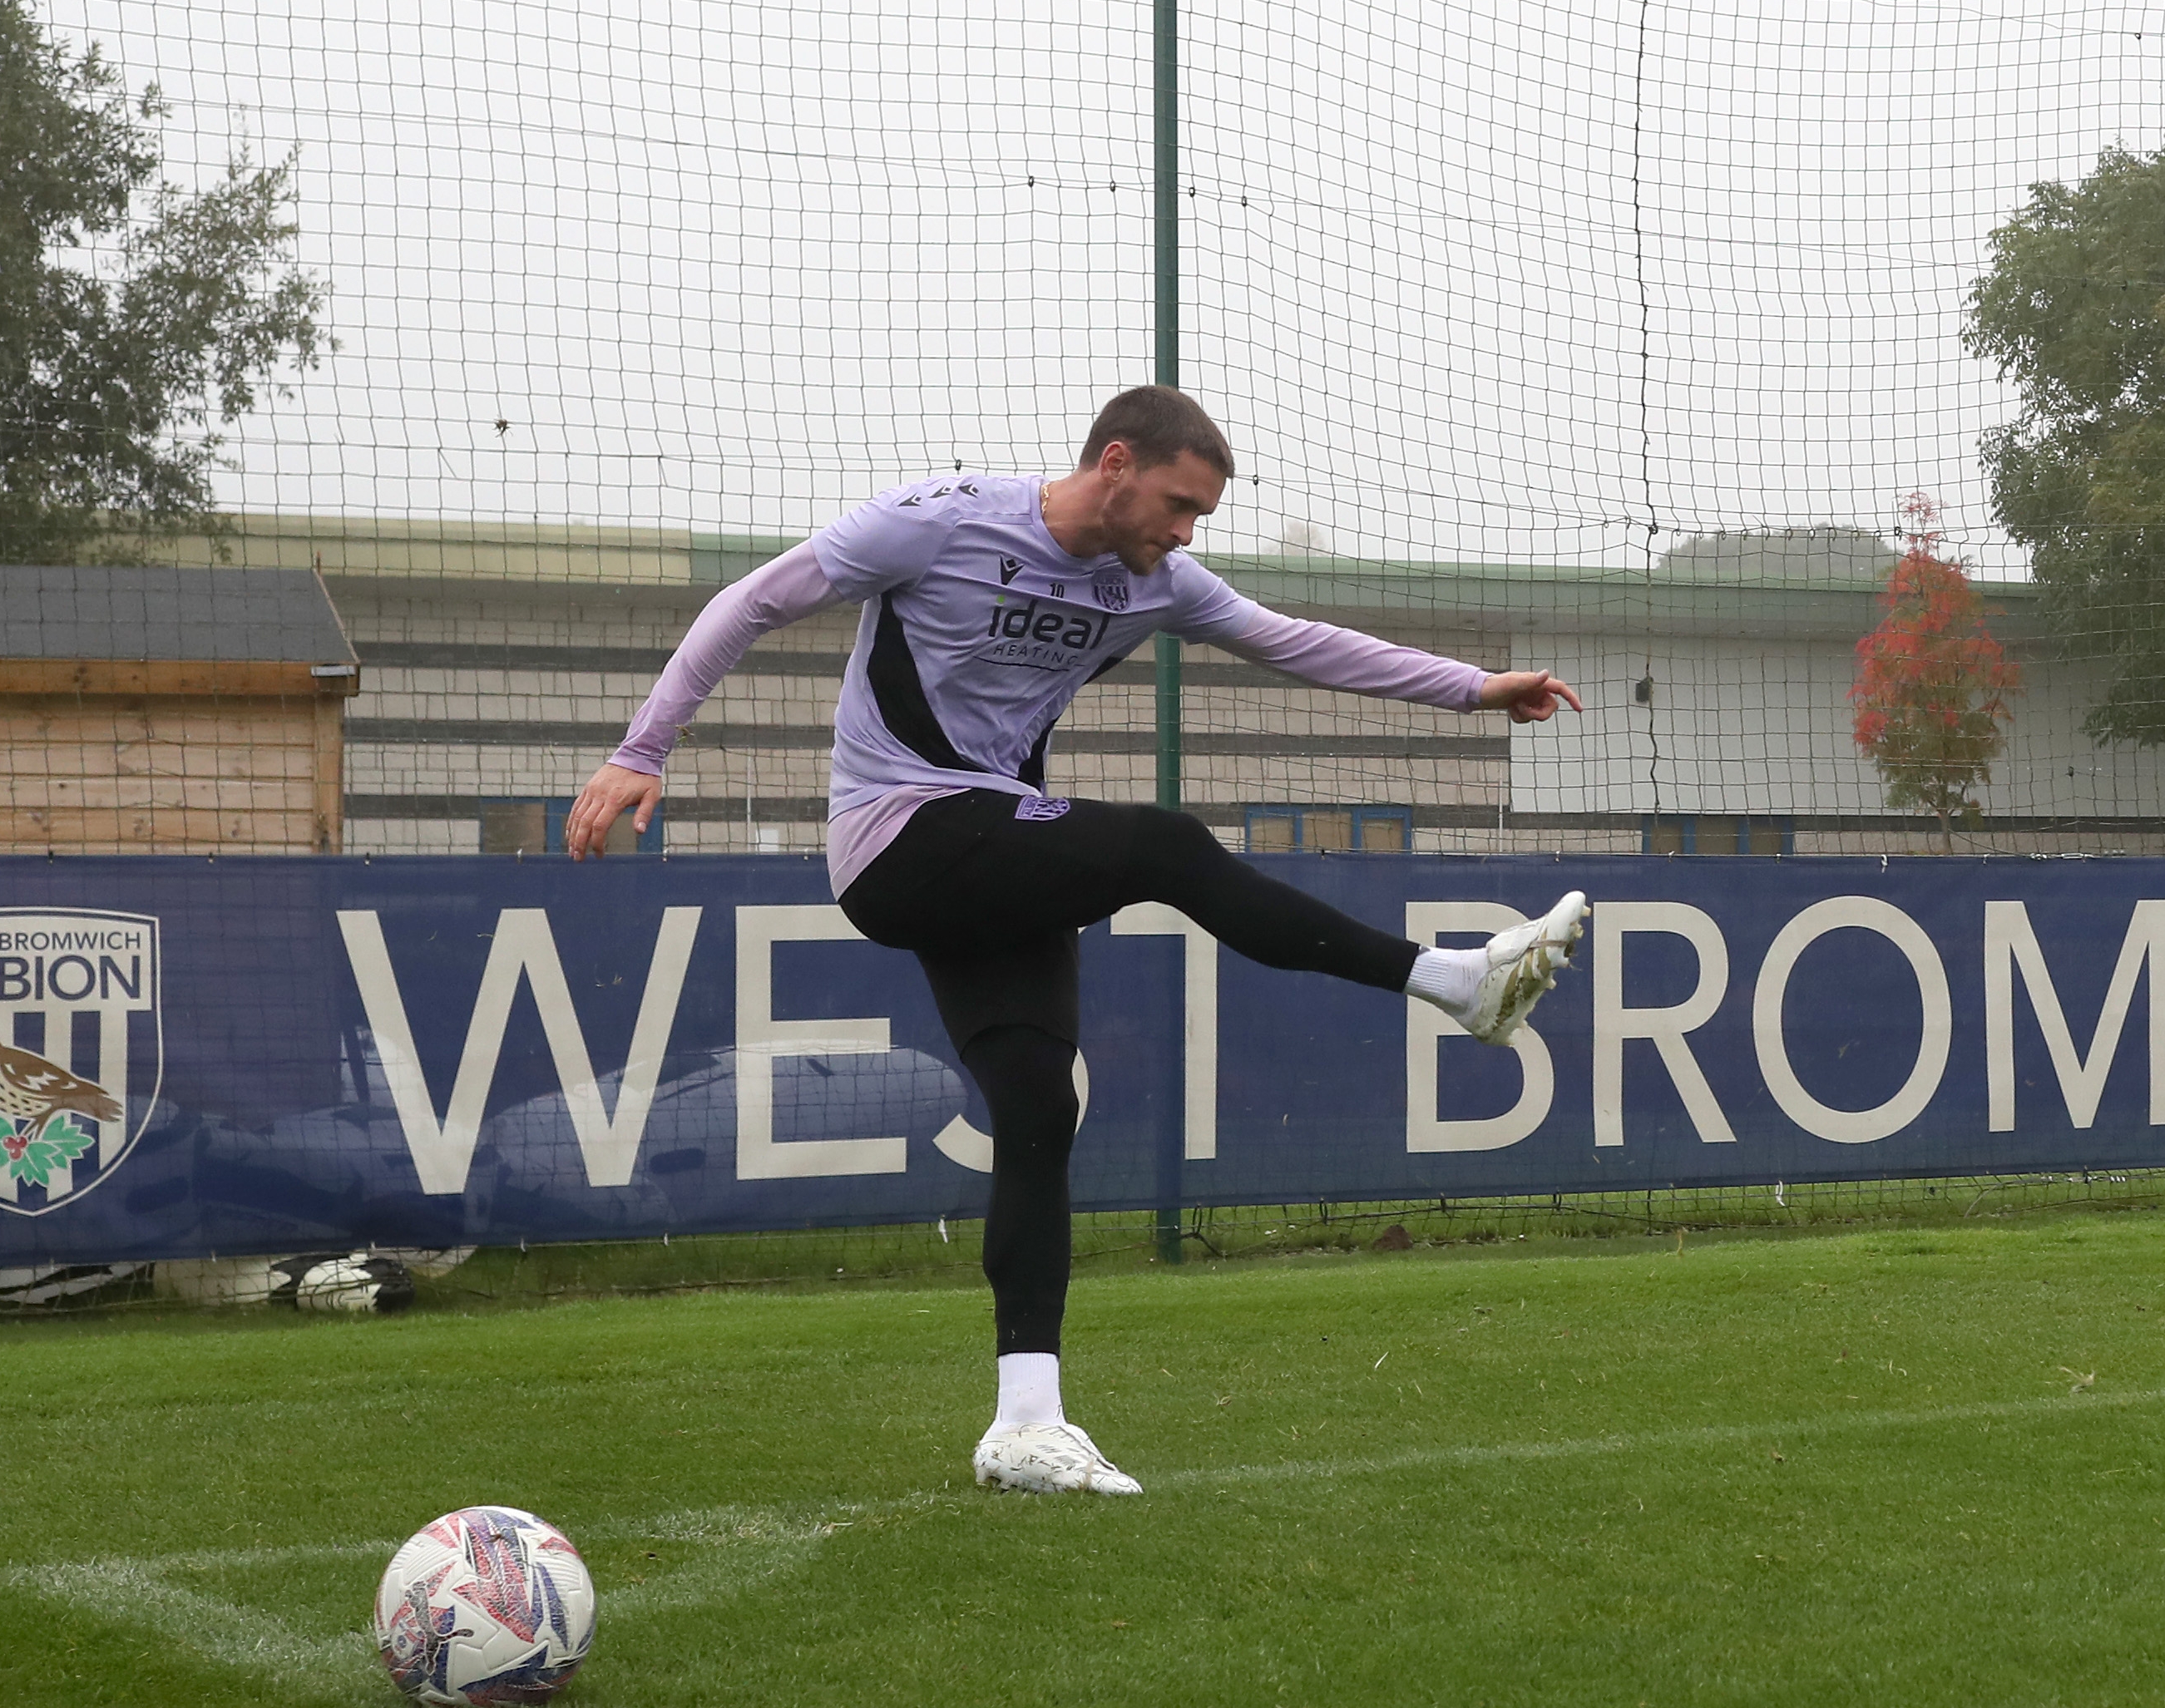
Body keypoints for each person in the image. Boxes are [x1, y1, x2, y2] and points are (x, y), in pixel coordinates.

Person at [565, 385, 1589, 1497]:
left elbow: (1295, 644)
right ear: (1115, 462)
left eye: (1200, 516)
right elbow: (755, 600)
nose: (1186, 533)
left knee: (1042, 1109)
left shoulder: (1152, 583)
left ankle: (1025, 1421)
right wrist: (643, 748)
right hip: (897, 833)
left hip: (993, 849)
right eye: (1179, 503)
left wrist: (1476, 689)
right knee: (1165, 844)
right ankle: (1451, 982)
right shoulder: (942, 522)